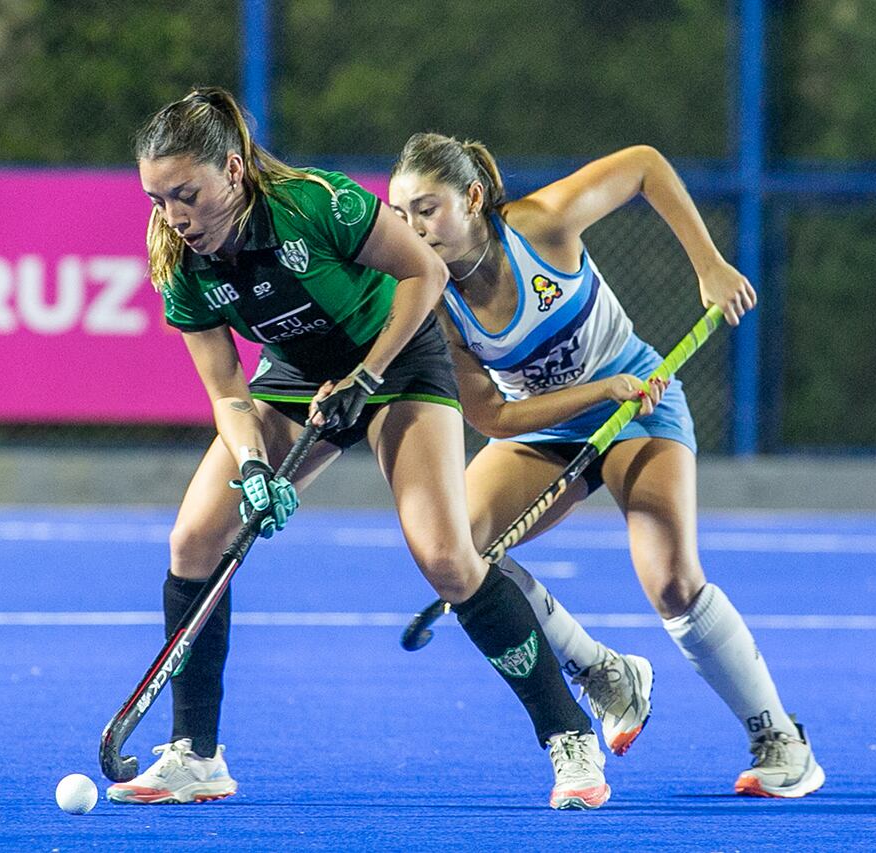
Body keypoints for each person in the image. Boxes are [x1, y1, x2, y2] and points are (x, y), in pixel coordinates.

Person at [105, 88, 619, 810]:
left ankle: (568, 734)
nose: (172, 216)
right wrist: (255, 466)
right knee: (193, 540)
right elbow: (227, 393)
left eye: (184, 194)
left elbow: (425, 274)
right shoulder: (180, 261)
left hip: (398, 358)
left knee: (445, 555)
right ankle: (195, 754)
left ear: (232, 169)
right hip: (295, 373)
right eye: (157, 199)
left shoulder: (318, 204)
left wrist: (366, 375)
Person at [387, 133, 825, 799]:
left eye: (427, 209)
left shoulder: (540, 223)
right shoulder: (434, 299)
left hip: (641, 399)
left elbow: (647, 165)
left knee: (672, 580)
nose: (414, 228)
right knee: (462, 546)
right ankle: (601, 671)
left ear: (472, 197)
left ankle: (780, 738)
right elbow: (494, 419)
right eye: (401, 215)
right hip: (547, 423)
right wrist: (594, 393)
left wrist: (708, 266)